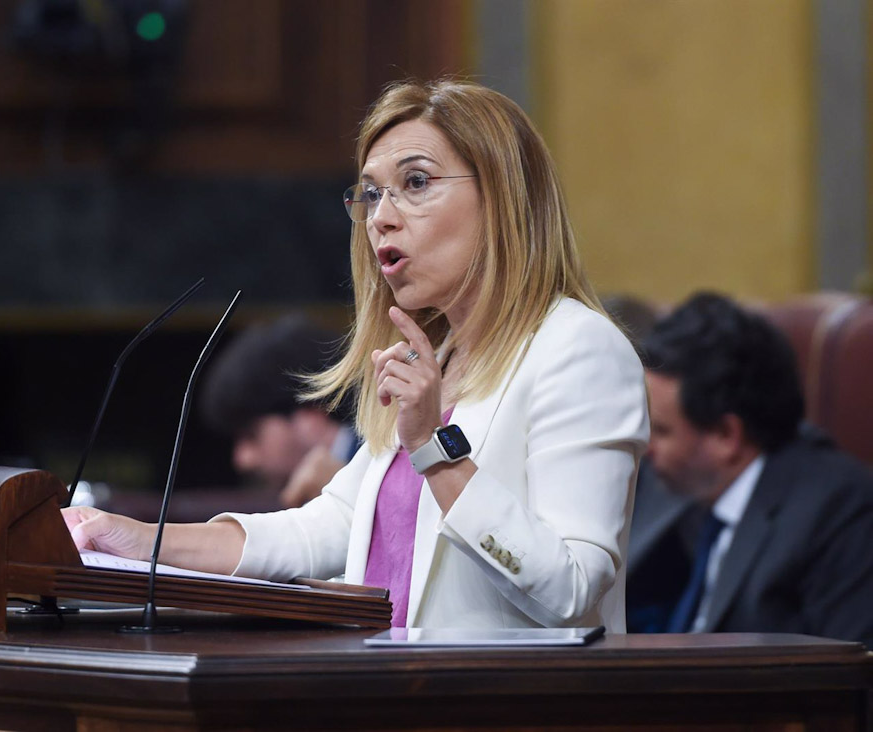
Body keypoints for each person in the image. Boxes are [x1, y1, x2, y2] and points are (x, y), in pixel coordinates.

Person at [63, 78, 649, 630]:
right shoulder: (437, 356)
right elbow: (330, 529)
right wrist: (137, 539)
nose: (381, 218)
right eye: (370, 195)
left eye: (416, 183)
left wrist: (434, 451)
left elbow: (574, 591)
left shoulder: (579, 349)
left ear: (501, 196)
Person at [640, 292, 873, 644]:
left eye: (661, 430)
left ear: (725, 434)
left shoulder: (838, 512)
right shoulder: (683, 484)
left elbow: (853, 681)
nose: (645, 448)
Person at [199, 314, 358, 508]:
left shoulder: (388, 457)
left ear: (310, 414)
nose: (242, 459)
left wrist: (353, 495)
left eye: (251, 435)